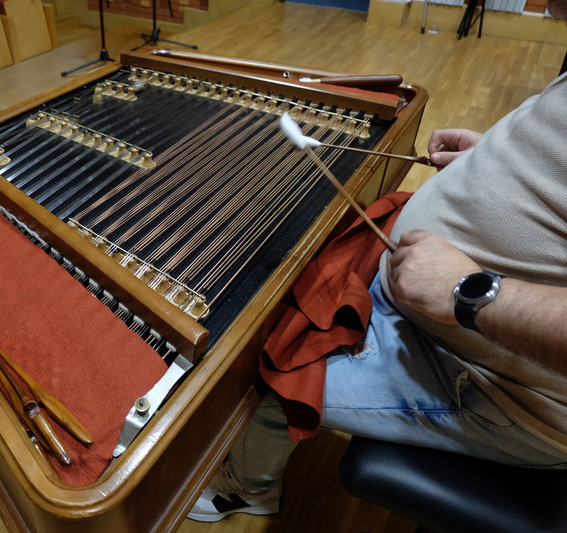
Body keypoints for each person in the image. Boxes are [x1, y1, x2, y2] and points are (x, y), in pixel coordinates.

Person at [188, 0, 567, 522]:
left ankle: (249, 488)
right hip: (425, 285)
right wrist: (495, 161)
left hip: (498, 385)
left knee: (271, 367)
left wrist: (467, 289)